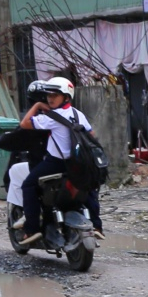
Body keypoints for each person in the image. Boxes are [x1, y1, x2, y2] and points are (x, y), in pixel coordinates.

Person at [17, 76, 102, 242]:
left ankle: (32, 229)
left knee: (28, 185)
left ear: (66, 97)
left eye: (55, 95)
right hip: (79, 164)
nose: (50, 98)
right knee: (89, 185)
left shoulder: (51, 117)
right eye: (48, 95)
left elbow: (24, 124)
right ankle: (97, 225)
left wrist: (38, 105)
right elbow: (91, 134)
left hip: (56, 164)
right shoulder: (79, 115)